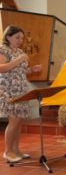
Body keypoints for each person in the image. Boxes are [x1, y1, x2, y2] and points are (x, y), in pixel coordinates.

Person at [0, 26, 42, 163]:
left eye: (22, 38)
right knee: (13, 122)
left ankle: (16, 149)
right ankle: (7, 151)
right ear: (8, 37)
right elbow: (2, 68)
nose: (20, 40)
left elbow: (19, 72)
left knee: (18, 122)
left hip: (21, 89)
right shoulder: (3, 49)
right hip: (9, 90)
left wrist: (31, 70)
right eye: (17, 37)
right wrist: (19, 60)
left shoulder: (19, 51)